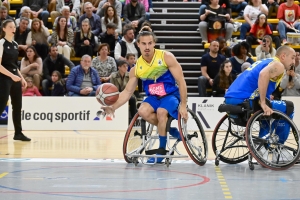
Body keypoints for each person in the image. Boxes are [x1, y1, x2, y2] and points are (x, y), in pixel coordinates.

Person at [101, 31, 188, 163]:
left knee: (161, 112)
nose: (147, 47)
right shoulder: (136, 68)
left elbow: (181, 81)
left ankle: (161, 150)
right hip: (153, 97)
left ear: (154, 43)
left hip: (170, 95)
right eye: (143, 44)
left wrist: (183, 106)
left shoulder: (166, 57)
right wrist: (112, 107)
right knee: (142, 111)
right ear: (138, 45)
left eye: (149, 43)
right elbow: (127, 92)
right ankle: (171, 130)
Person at [224, 45, 296, 146]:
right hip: (244, 100)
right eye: (292, 57)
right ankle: (279, 147)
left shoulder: (265, 61)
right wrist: (262, 101)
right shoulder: (278, 65)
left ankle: (262, 149)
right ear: (283, 56)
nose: (294, 61)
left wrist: (264, 98)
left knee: (267, 107)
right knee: (289, 107)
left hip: (230, 99)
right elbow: (263, 74)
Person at [0, 19, 31, 141]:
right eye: (10, 27)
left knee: (17, 105)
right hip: (4, 78)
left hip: (15, 77)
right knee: (1, 105)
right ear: (4, 29)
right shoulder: (1, 43)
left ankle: (18, 133)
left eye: (14, 27)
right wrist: (11, 76)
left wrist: (21, 78)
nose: (13, 29)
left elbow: (14, 65)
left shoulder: (15, 44)